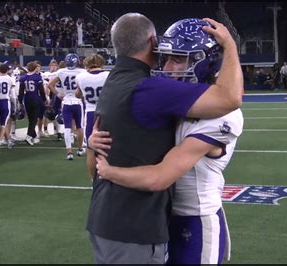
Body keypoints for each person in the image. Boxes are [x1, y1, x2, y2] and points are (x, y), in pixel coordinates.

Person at [86, 15, 243, 264]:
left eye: (178, 59)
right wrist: (93, 144)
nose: (167, 67)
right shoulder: (175, 99)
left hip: (196, 220)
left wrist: (108, 171)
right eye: (166, 57)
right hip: (163, 217)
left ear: (207, 61)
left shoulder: (222, 115)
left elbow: (160, 177)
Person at [74, 53, 109, 178]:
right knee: (111, 147)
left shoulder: (80, 77)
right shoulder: (109, 75)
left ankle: (93, 181)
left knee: (90, 150)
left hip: (90, 114)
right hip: (108, 112)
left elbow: (77, 94)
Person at [48, 53, 86, 160]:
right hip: (78, 101)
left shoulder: (61, 71)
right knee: (79, 126)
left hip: (66, 101)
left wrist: (58, 94)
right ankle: (79, 149)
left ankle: (69, 153)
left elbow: (50, 84)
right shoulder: (82, 72)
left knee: (67, 128)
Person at [18, 61, 47, 145]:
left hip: (27, 99)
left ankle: (33, 136)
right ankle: (29, 136)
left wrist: (20, 101)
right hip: (35, 99)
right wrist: (44, 99)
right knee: (34, 119)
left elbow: (20, 92)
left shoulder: (23, 77)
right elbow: (41, 90)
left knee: (31, 119)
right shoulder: (37, 77)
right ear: (35, 68)